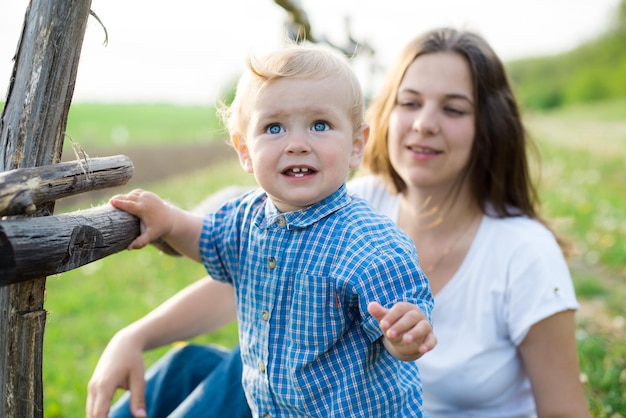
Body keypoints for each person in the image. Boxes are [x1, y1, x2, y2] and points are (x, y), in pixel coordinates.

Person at [89, 27, 591, 418]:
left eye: (453, 109)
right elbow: (255, 272)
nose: (424, 123)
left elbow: (564, 408)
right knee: (187, 366)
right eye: (410, 102)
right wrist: (131, 335)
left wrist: (404, 337)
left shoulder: (520, 250)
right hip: (294, 398)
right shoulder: (348, 195)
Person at [87, 43, 435, 418]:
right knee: (183, 366)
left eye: (320, 125)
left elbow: (401, 329)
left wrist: (406, 336)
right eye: (274, 127)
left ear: (355, 146)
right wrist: (170, 220)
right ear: (245, 151)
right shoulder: (246, 216)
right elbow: (207, 239)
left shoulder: (370, 243)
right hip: (272, 409)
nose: (297, 144)